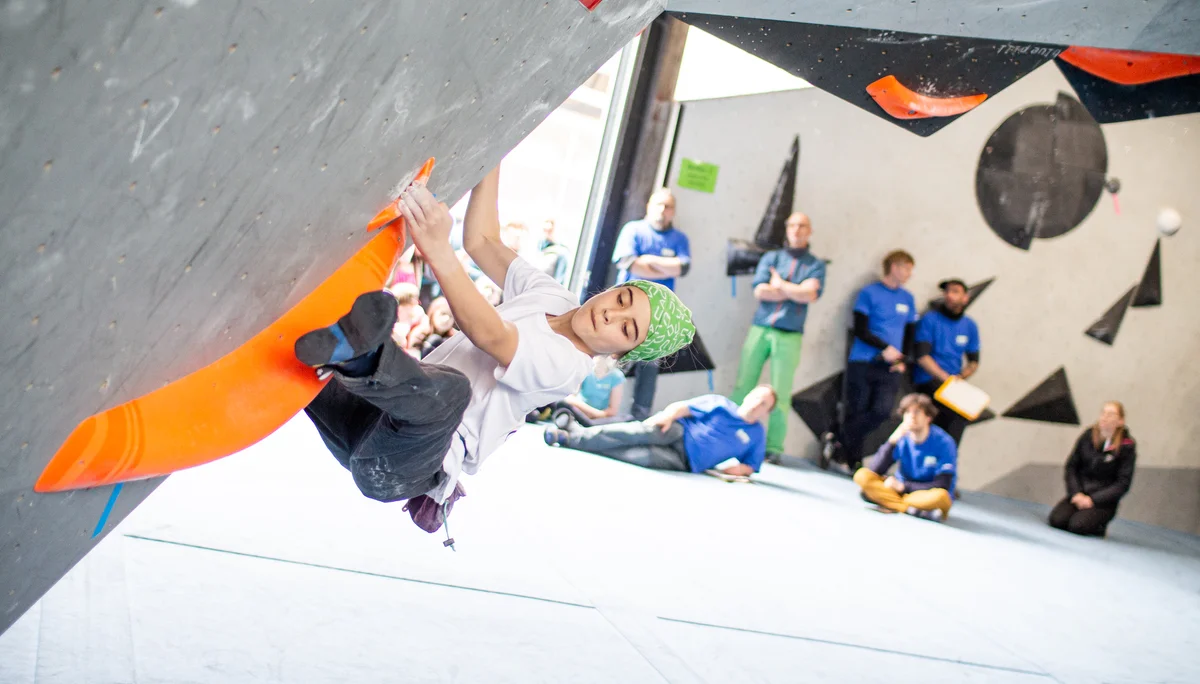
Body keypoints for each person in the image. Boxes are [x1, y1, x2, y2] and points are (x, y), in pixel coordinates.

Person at [294, 166, 695, 536]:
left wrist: (436, 247)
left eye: (627, 329)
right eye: (623, 298)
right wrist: (496, 149)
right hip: (363, 421)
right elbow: (483, 241)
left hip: (400, 465)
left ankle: (361, 356)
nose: (611, 313)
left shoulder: (567, 367)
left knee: (451, 392)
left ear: (623, 354)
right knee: (298, 355)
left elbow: (489, 333)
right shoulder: (553, 295)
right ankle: (342, 353)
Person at [732, 212, 825, 463]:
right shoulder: (771, 258)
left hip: (790, 334)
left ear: (810, 230)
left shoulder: (815, 265)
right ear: (786, 229)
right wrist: (794, 290)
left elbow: (810, 295)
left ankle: (773, 447)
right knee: (744, 383)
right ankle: (730, 430)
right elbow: (761, 291)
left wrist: (780, 285)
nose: (797, 230)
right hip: (760, 328)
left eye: (802, 226)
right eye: (792, 225)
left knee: (781, 392)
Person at [544, 385, 776, 478]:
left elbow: (750, 466)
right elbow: (682, 407)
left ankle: (571, 431)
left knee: (632, 455)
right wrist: (667, 415)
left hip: (684, 461)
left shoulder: (756, 435)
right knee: (628, 434)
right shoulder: (720, 403)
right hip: (675, 431)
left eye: (764, 403)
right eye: (757, 397)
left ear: (767, 412)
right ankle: (570, 437)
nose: (757, 404)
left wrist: (732, 472)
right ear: (748, 395)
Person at [612, 188, 691, 420]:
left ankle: (639, 418)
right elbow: (629, 264)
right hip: (624, 310)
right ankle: (597, 408)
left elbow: (683, 268)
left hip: (658, 315)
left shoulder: (680, 239)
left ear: (673, 212)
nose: (662, 210)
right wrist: (666, 265)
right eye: (658, 204)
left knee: (650, 367)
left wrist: (648, 261)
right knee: (614, 360)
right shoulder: (633, 230)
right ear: (648, 205)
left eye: (667, 206)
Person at [836, 250, 918, 469]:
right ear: (894, 267)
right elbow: (860, 329)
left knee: (881, 411)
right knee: (857, 409)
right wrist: (884, 348)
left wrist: (903, 359)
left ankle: (837, 442)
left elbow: (910, 333)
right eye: (906, 267)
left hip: (891, 366)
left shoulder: (907, 299)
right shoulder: (868, 293)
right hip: (863, 360)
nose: (909, 273)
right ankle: (853, 459)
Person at [854, 393, 957, 521]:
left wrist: (904, 487)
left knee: (940, 496)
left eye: (917, 412)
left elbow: (943, 484)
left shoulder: (944, 442)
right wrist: (892, 441)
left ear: (928, 417)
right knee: (862, 476)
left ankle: (894, 503)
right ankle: (910, 508)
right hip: (900, 492)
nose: (912, 416)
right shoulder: (902, 438)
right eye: (907, 412)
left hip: (925, 492)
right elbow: (875, 470)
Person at [1049, 402, 1136, 537]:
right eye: (1103, 413)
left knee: (1078, 526)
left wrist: (1093, 500)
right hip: (1080, 494)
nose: (1105, 417)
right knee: (1057, 520)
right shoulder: (1088, 436)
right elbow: (1072, 467)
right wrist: (1076, 493)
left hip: (1102, 502)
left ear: (1120, 421)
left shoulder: (1127, 446)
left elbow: (1123, 483)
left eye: (1111, 414)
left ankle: (1099, 526)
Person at [913, 278, 981, 446]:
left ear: (965, 298)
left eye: (955, 291)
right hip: (929, 379)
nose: (950, 295)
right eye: (947, 291)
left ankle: (946, 460)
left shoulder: (970, 325)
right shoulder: (930, 320)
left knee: (965, 411)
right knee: (955, 412)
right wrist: (946, 378)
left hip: (952, 383)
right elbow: (922, 356)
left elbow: (974, 362)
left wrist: (961, 376)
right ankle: (946, 461)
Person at [552, 357, 628, 428]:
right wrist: (586, 413)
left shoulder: (617, 376)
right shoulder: (586, 370)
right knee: (561, 403)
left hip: (601, 419)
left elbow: (612, 411)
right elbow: (569, 398)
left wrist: (593, 415)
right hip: (579, 414)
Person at [387, 282, 427, 356]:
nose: (417, 302)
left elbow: (425, 326)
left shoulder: (418, 312)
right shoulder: (391, 313)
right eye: (413, 298)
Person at [534, 218, 571, 285]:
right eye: (545, 230)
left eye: (550, 230)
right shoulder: (538, 248)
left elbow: (559, 280)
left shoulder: (561, 252)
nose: (547, 233)